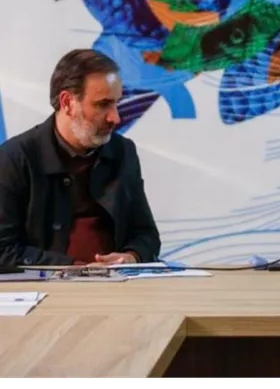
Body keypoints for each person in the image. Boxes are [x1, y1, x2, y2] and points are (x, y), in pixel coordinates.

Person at [0, 49, 161, 267]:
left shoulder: (123, 152)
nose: (115, 118)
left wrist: (131, 257)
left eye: (116, 103)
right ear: (67, 103)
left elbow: (146, 235)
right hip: (51, 285)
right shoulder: (15, 158)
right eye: (103, 104)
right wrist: (75, 269)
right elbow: (3, 250)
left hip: (119, 283)